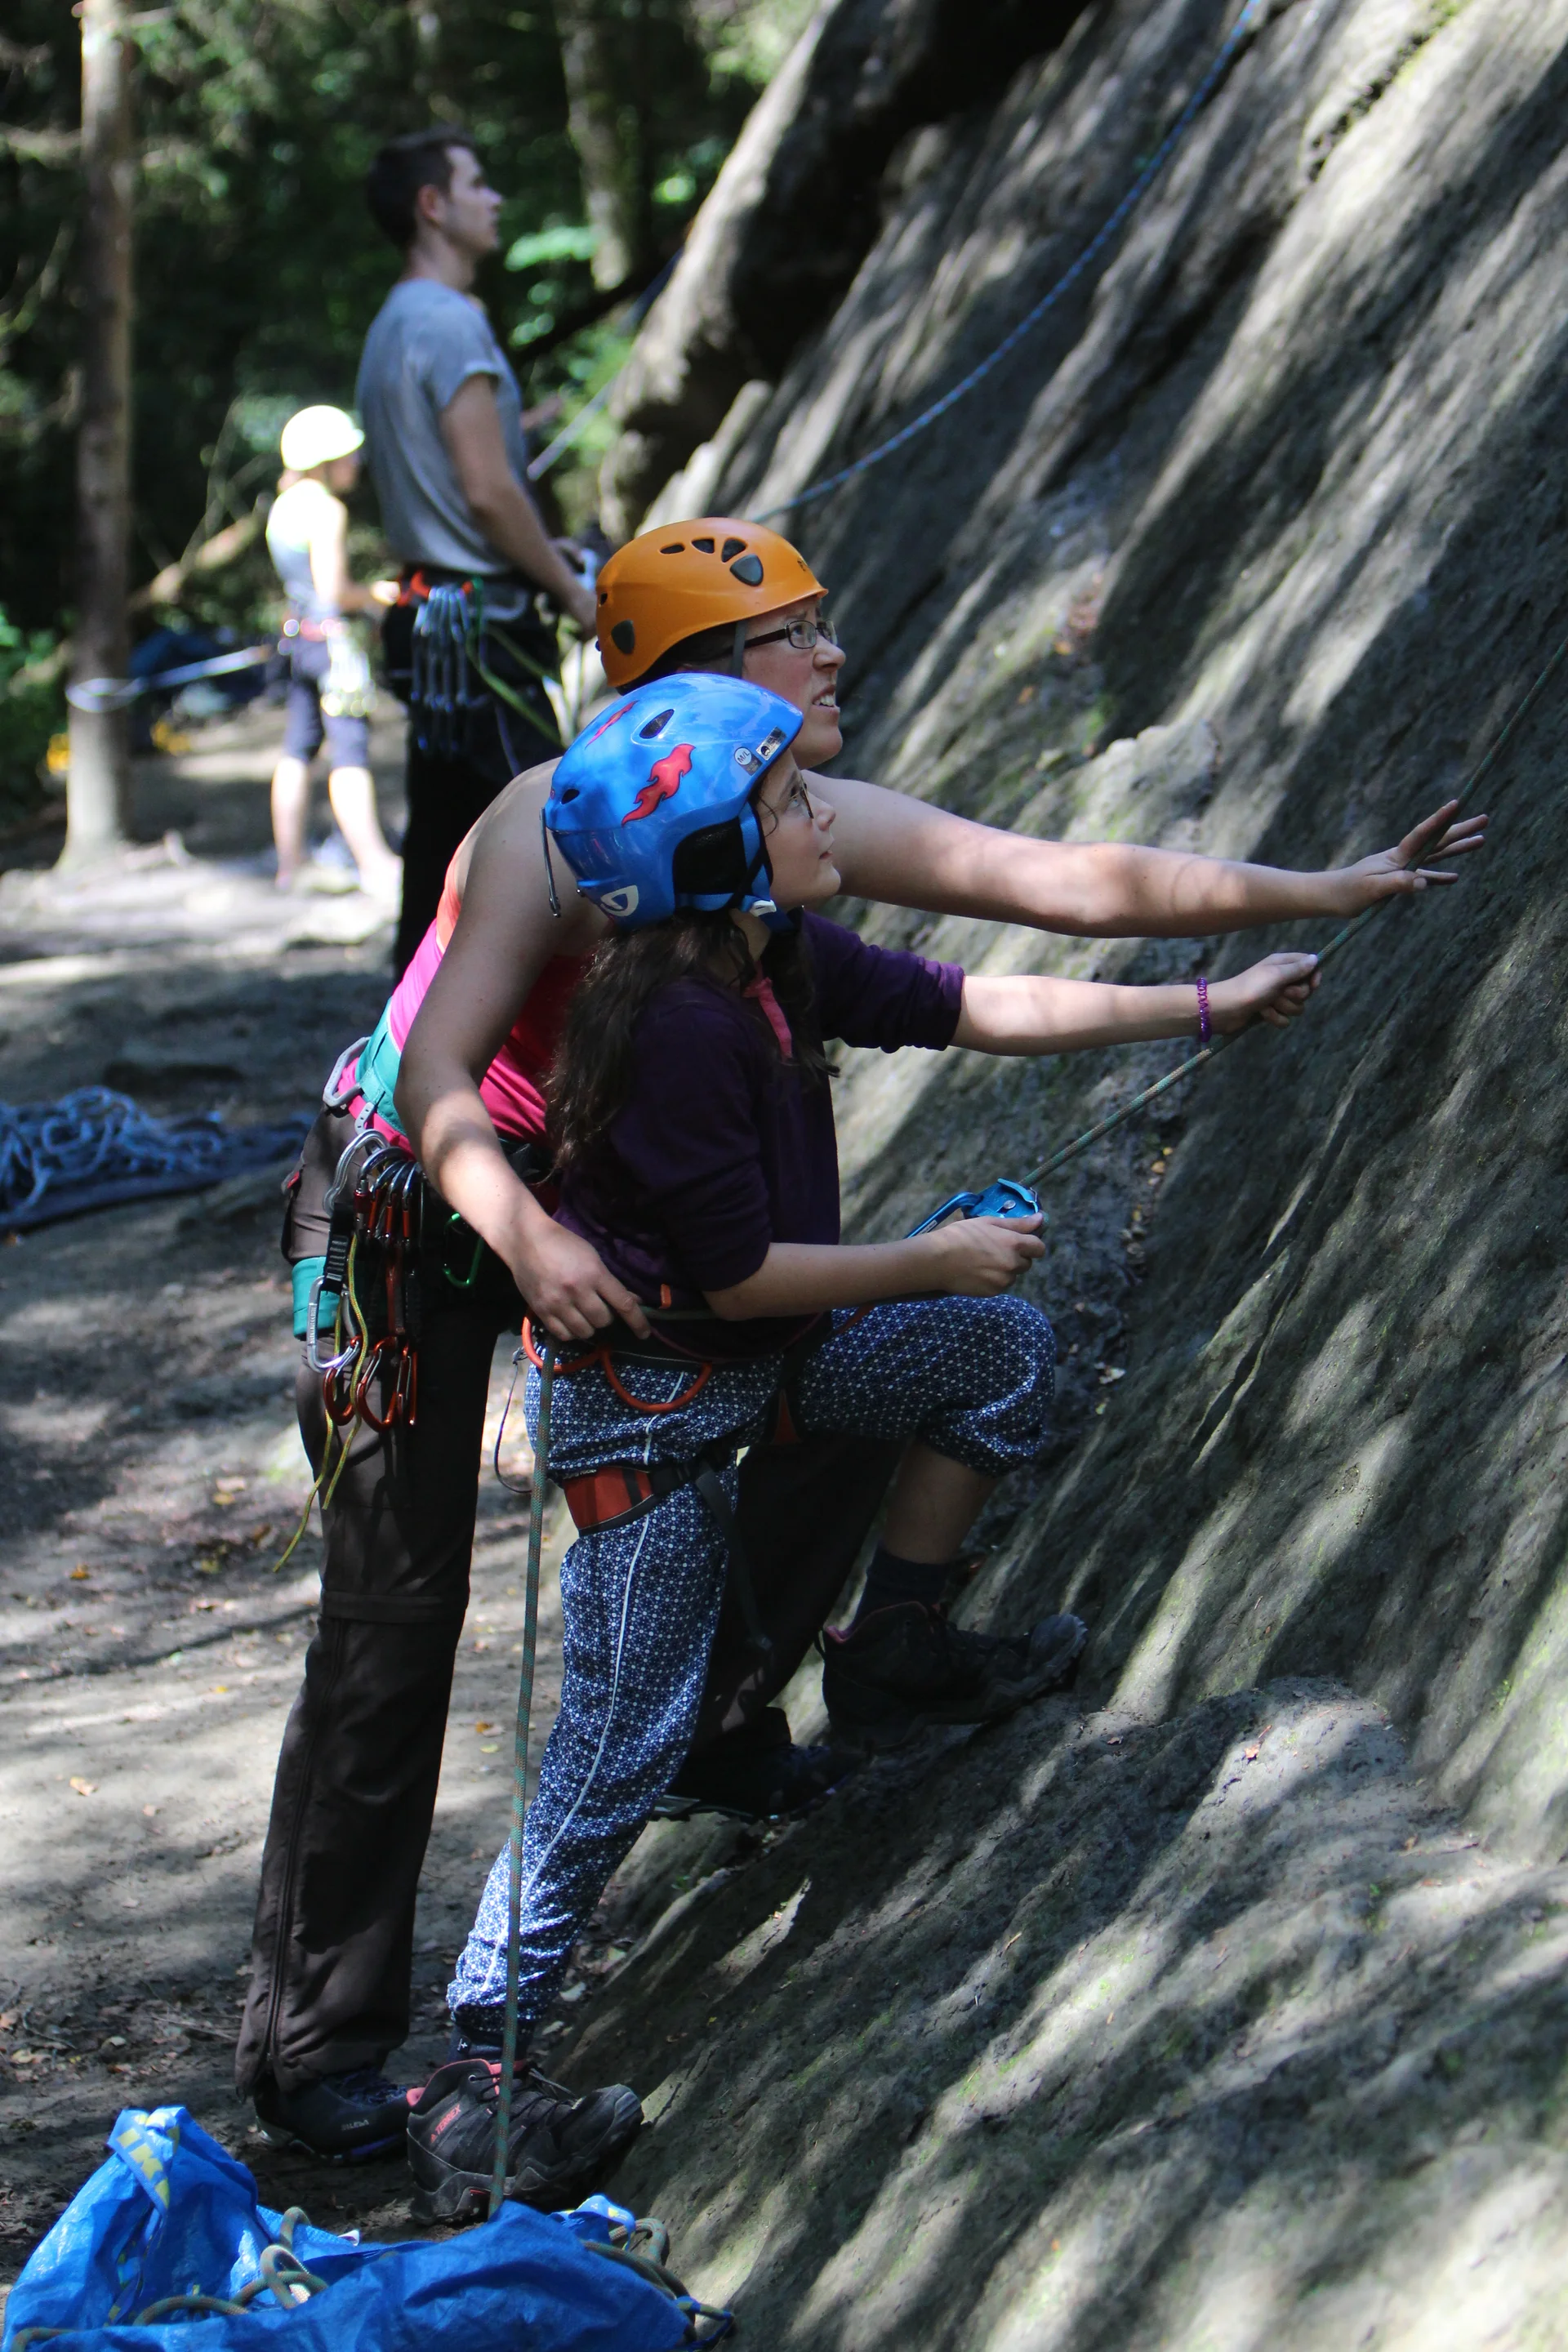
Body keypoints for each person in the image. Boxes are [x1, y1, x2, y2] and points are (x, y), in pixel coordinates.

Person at [236, 512, 1487, 2167]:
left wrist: (1329, 890)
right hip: (417, 1200)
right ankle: (326, 2046)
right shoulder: (575, 826)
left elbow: (1056, 888)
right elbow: (433, 1078)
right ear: (704, 675)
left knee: (813, 1367)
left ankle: (726, 1718)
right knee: (400, 1613)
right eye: (796, 634)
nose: (834, 655)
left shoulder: (762, 829)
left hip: (616, 1214)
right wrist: (530, 1241)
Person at [401, 669, 1325, 2214]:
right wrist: (926, 1259)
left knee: (998, 1352)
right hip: (653, 1417)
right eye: (785, 802)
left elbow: (969, 1006)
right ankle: (477, 2070)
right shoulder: (679, 1024)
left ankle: (896, 1644)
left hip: (755, 1374)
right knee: (621, 1743)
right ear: (713, 855)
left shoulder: (769, 953)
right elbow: (728, 1276)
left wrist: (1208, 1007)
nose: (820, 815)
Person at [355, 127, 598, 974]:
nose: (493, 199)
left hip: (435, 623)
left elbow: (452, 491)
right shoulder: (453, 323)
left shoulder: (392, 323)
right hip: (482, 634)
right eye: (476, 184)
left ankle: (409, 1028)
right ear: (433, 205)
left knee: (442, 847)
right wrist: (570, 588)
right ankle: (573, 1033)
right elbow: (489, 491)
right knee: (551, 842)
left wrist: (534, 549)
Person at [265, 405, 402, 900]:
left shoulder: (283, 506)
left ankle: (289, 866)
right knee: (349, 751)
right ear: (323, 462)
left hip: (298, 641)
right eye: (348, 453)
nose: (356, 461)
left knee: (297, 748)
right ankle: (375, 864)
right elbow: (336, 591)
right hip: (332, 646)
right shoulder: (326, 509)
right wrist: (379, 593)